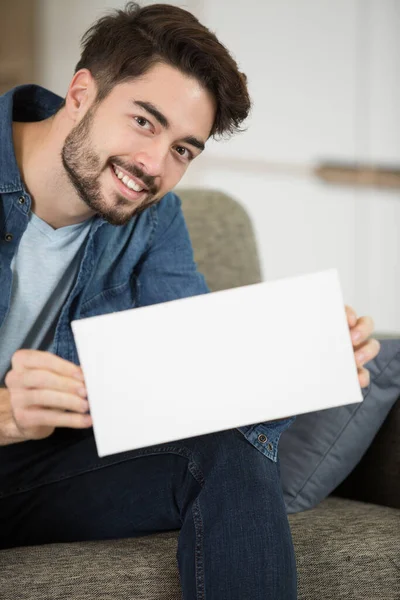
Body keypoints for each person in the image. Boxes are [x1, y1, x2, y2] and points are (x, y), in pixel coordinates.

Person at [0, 2, 380, 598]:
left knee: (226, 448)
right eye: (144, 121)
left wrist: (301, 361)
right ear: (81, 92)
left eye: (183, 150)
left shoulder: (155, 219)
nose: (152, 166)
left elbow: (190, 394)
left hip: (37, 475)